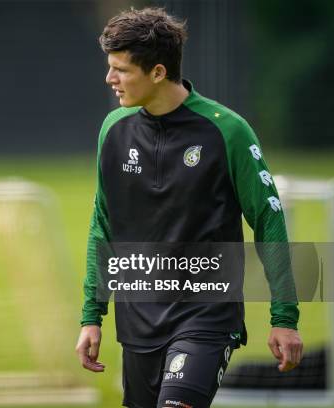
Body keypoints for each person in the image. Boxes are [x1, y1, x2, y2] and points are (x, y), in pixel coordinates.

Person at [75, 7, 303, 408]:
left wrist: (284, 319)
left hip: (206, 317)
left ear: (158, 72)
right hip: (138, 321)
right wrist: (92, 315)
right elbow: (103, 225)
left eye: (122, 70)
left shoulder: (227, 131)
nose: (110, 79)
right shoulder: (113, 130)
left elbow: (268, 219)